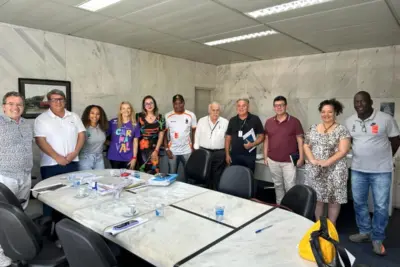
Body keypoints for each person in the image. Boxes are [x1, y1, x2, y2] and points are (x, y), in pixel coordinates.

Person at [345, 91, 400, 256]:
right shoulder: (349, 121)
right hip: (357, 169)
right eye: (356, 102)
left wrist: (384, 158)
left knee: (381, 206)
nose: (359, 105)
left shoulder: (385, 119)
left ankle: (377, 238)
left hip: (381, 171)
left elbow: (396, 141)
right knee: (359, 203)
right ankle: (365, 232)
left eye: (362, 102)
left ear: (370, 102)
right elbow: (350, 142)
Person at [35, 89, 86, 216]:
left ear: (64, 101)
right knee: (50, 198)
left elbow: (82, 135)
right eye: (54, 99)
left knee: (71, 196)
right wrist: (57, 157)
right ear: (49, 102)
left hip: (72, 162)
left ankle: (67, 226)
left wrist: (75, 153)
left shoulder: (73, 116)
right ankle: (48, 229)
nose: (58, 102)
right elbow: (40, 141)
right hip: (50, 165)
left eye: (60, 99)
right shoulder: (41, 119)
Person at [303, 99, 351, 226]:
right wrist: (312, 159)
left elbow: (343, 150)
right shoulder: (313, 128)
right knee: (318, 200)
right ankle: (319, 225)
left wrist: (327, 162)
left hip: (335, 171)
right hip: (315, 170)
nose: (326, 114)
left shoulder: (341, 130)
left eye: (330, 112)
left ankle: (331, 226)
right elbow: (306, 145)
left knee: (333, 200)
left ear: (335, 112)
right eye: (323, 112)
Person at [0, 91, 33, 267]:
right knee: (3, 217)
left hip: (25, 175)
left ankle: (17, 249)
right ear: (4, 106)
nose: (15, 107)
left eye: (19, 104)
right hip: (5, 177)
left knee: (20, 216)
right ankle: (1, 258)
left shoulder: (26, 124)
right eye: (11, 104)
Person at [264, 96, 305, 204]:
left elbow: (300, 140)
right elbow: (266, 140)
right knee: (277, 185)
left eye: (281, 105)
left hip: (289, 162)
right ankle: (280, 208)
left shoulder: (295, 121)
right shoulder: (269, 122)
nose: (279, 107)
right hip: (273, 160)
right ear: (274, 107)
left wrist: (301, 157)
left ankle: (291, 209)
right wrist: (265, 157)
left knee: (290, 187)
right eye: (276, 106)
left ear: (286, 106)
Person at [194, 102, 228, 189]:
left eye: (217, 110)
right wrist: (197, 151)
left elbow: (228, 139)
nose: (215, 113)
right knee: (205, 175)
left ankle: (216, 194)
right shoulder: (201, 121)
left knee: (217, 177)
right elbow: (197, 135)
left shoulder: (225, 122)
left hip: (219, 153)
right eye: (213, 110)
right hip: (204, 152)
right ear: (209, 111)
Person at [225, 98, 264, 173]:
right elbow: (228, 138)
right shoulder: (232, 120)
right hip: (234, 155)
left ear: (248, 107)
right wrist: (227, 154)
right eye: (239, 106)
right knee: (235, 177)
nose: (241, 108)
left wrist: (252, 144)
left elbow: (262, 136)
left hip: (249, 157)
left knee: (248, 178)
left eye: (243, 106)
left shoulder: (255, 119)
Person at [164, 94, 197, 180]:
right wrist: (167, 148)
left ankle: (188, 193)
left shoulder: (191, 115)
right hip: (173, 151)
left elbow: (194, 132)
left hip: (187, 151)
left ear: (184, 103)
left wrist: (194, 147)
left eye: (180, 103)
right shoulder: (167, 116)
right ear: (173, 104)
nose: (178, 105)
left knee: (189, 175)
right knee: (171, 176)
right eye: (175, 103)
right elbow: (164, 134)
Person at [136, 96, 166, 174]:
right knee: (141, 173)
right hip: (141, 151)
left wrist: (156, 150)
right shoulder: (138, 117)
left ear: (154, 104)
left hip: (154, 150)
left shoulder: (160, 118)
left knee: (154, 172)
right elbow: (134, 134)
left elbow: (161, 136)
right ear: (144, 106)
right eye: (147, 103)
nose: (149, 105)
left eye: (151, 103)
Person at [107, 101, 140, 169]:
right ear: (120, 110)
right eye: (123, 108)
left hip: (128, 157)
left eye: (128, 108)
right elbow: (102, 136)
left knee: (128, 178)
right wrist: (110, 144)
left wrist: (134, 157)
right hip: (114, 157)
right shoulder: (113, 122)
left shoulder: (135, 124)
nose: (126, 110)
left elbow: (135, 142)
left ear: (131, 110)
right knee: (116, 178)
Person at [79, 105, 108, 170]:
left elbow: (102, 140)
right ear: (88, 114)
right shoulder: (82, 128)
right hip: (85, 158)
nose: (95, 116)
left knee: (100, 178)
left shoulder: (102, 127)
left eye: (98, 114)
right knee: (87, 179)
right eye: (92, 113)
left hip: (99, 158)